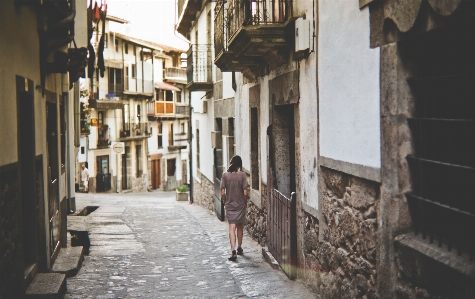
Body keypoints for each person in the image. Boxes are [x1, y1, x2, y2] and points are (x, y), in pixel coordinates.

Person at [220, 155, 249, 261]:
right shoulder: (242, 175)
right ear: (239, 165)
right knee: (240, 226)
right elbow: (245, 192)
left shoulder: (224, 175)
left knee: (231, 227)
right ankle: (239, 247)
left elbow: (223, 192)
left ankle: (233, 251)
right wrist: (245, 202)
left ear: (231, 163)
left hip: (230, 205)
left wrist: (225, 201)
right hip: (240, 204)